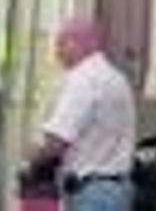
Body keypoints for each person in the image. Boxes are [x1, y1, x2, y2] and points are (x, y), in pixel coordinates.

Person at [24, 16, 137, 211]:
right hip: (119, 189)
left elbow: (57, 141)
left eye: (61, 44)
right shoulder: (117, 78)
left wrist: (32, 158)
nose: (57, 52)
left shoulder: (83, 79)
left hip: (90, 193)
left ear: (77, 43)